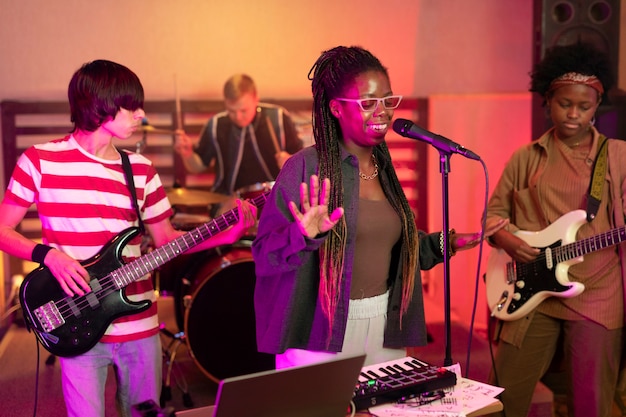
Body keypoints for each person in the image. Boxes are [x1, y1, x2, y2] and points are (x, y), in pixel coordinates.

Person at [0, 60, 256, 417]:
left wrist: (226, 234)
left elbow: (167, 240)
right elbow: (3, 230)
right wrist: (49, 256)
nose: (141, 114)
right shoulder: (39, 161)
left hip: (139, 322)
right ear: (101, 106)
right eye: (132, 106)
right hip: (76, 319)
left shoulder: (141, 170)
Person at [251, 45, 507, 369]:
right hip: (321, 332)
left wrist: (450, 242)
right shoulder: (305, 168)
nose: (382, 111)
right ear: (335, 109)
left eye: (388, 100)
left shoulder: (384, 168)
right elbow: (264, 256)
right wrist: (302, 235)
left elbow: (394, 249)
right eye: (368, 103)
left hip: (384, 324)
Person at [485, 42, 625, 417]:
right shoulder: (526, 157)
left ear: (597, 106)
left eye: (585, 106)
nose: (574, 115)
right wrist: (509, 241)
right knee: (503, 397)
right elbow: (493, 216)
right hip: (532, 290)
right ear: (548, 101)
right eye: (565, 104)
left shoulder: (617, 156)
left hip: (597, 293)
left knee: (590, 405)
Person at [174, 73, 304, 197]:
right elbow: (198, 166)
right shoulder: (216, 125)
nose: (238, 117)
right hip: (228, 199)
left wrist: (290, 161)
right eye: (231, 111)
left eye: (243, 110)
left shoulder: (278, 118)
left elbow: (304, 162)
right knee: (229, 212)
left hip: (276, 196)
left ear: (256, 99)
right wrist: (188, 154)